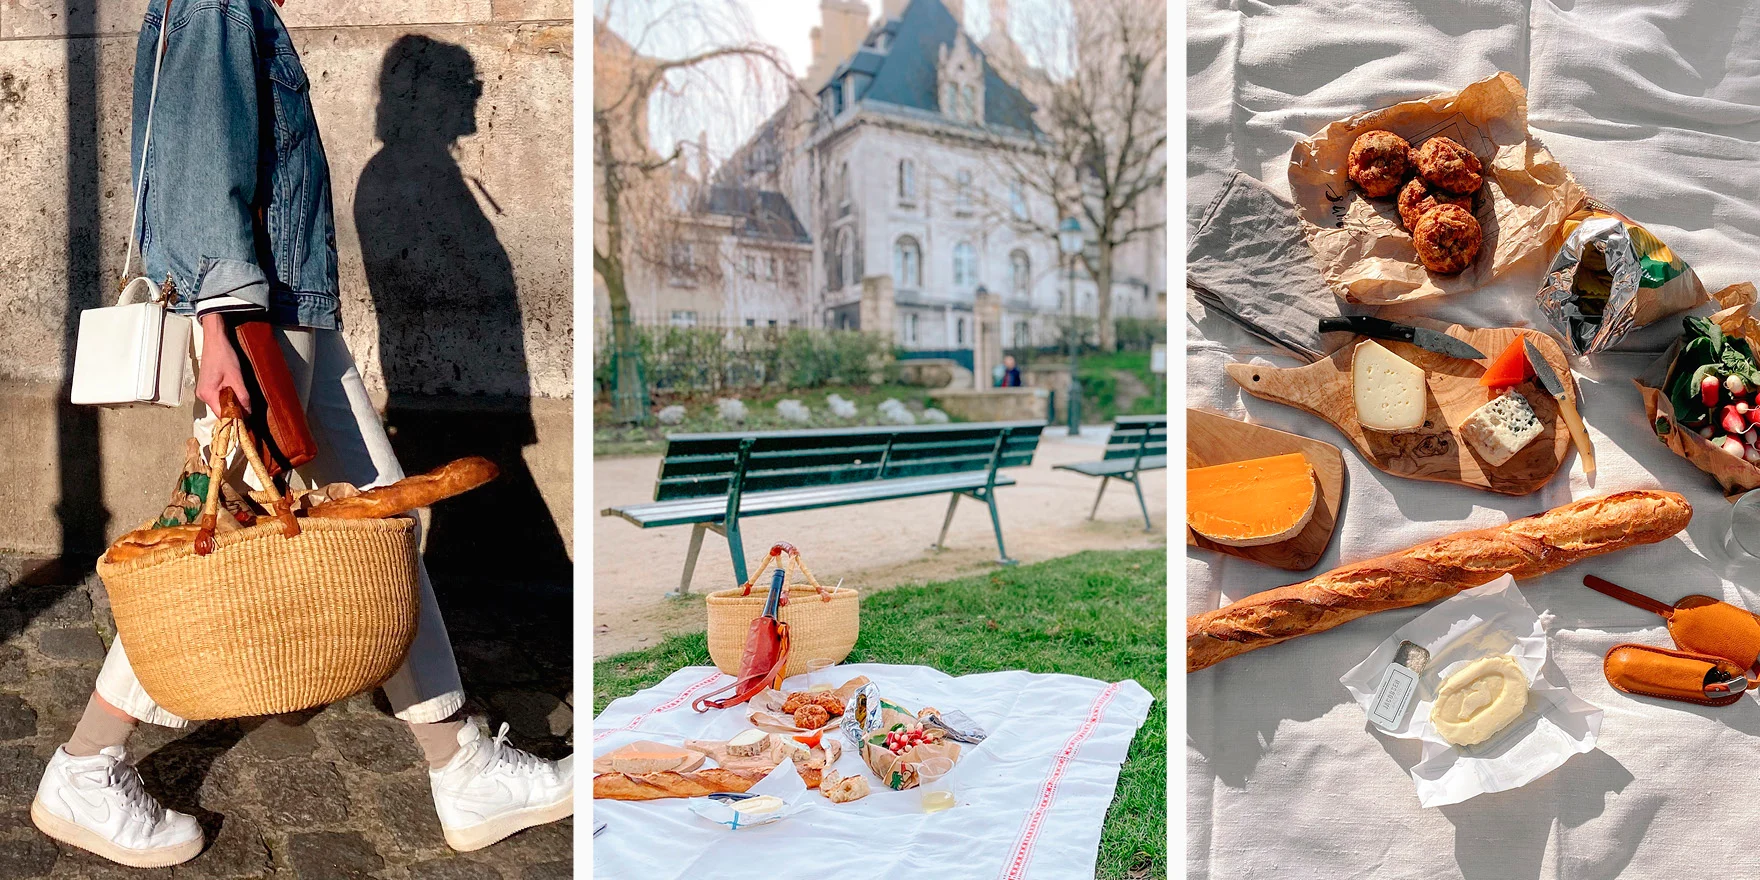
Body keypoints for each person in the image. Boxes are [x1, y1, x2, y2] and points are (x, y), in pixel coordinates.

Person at [29, 0, 571, 868]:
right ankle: (86, 766)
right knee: (219, 553)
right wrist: (222, 327)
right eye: (463, 87)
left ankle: (462, 762)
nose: (467, 103)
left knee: (378, 527)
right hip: (257, 322)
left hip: (285, 315)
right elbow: (202, 172)